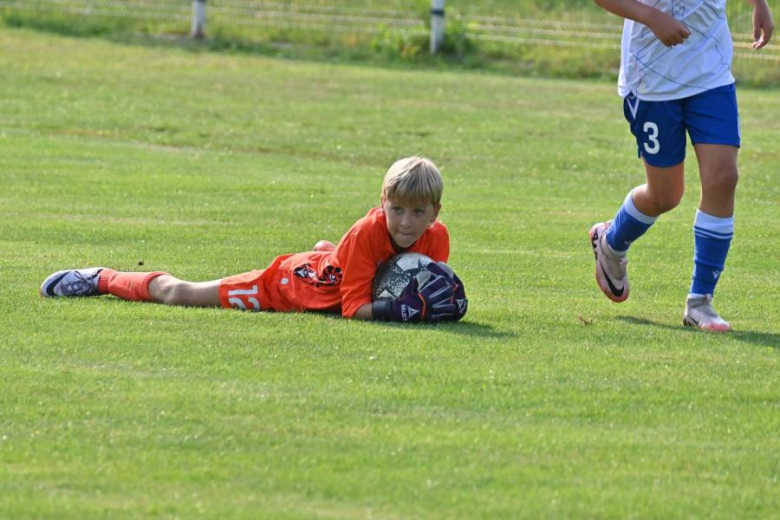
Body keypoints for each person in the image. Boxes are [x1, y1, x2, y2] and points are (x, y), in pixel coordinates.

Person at [40, 156, 468, 323]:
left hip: (334, 272)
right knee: (181, 294)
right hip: (289, 287)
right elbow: (354, 308)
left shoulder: (437, 238)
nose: (407, 223)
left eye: (418, 212)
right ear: (382, 203)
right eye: (397, 209)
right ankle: (102, 278)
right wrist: (405, 310)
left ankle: (330, 256)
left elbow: (415, 286)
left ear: (435, 213)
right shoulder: (368, 231)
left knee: (342, 258)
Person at [589, 0, 774, 331]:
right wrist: (651, 17)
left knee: (723, 177)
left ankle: (700, 302)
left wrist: (758, 3)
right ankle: (611, 241)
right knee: (665, 195)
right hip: (652, 81)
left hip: (711, 74)